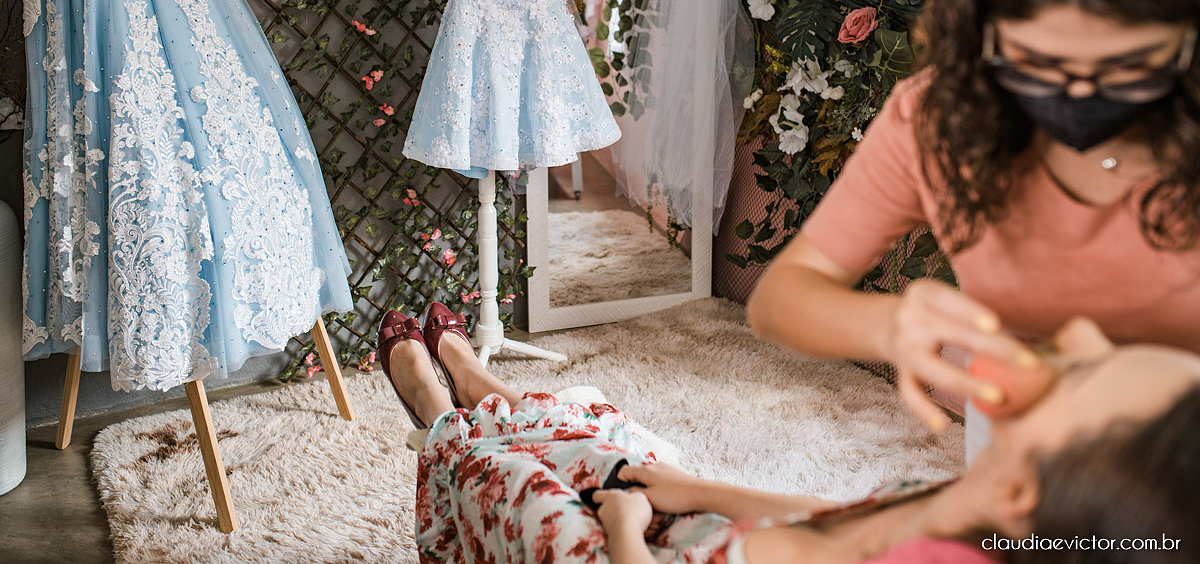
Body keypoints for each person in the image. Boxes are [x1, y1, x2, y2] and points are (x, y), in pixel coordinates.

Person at [745, 0, 1200, 460]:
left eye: (1126, 68)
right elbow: (781, 300)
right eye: (1038, 63)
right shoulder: (942, 116)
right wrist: (891, 325)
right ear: (982, 24)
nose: (1077, 95)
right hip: (1018, 449)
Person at [381, 303, 1200, 563]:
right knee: (610, 441)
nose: (1085, 332)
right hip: (713, 526)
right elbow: (835, 513)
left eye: (1083, 373)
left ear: (1027, 488)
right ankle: (486, 387)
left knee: (514, 486)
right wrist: (695, 489)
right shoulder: (990, 515)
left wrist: (628, 530)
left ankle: (445, 412)